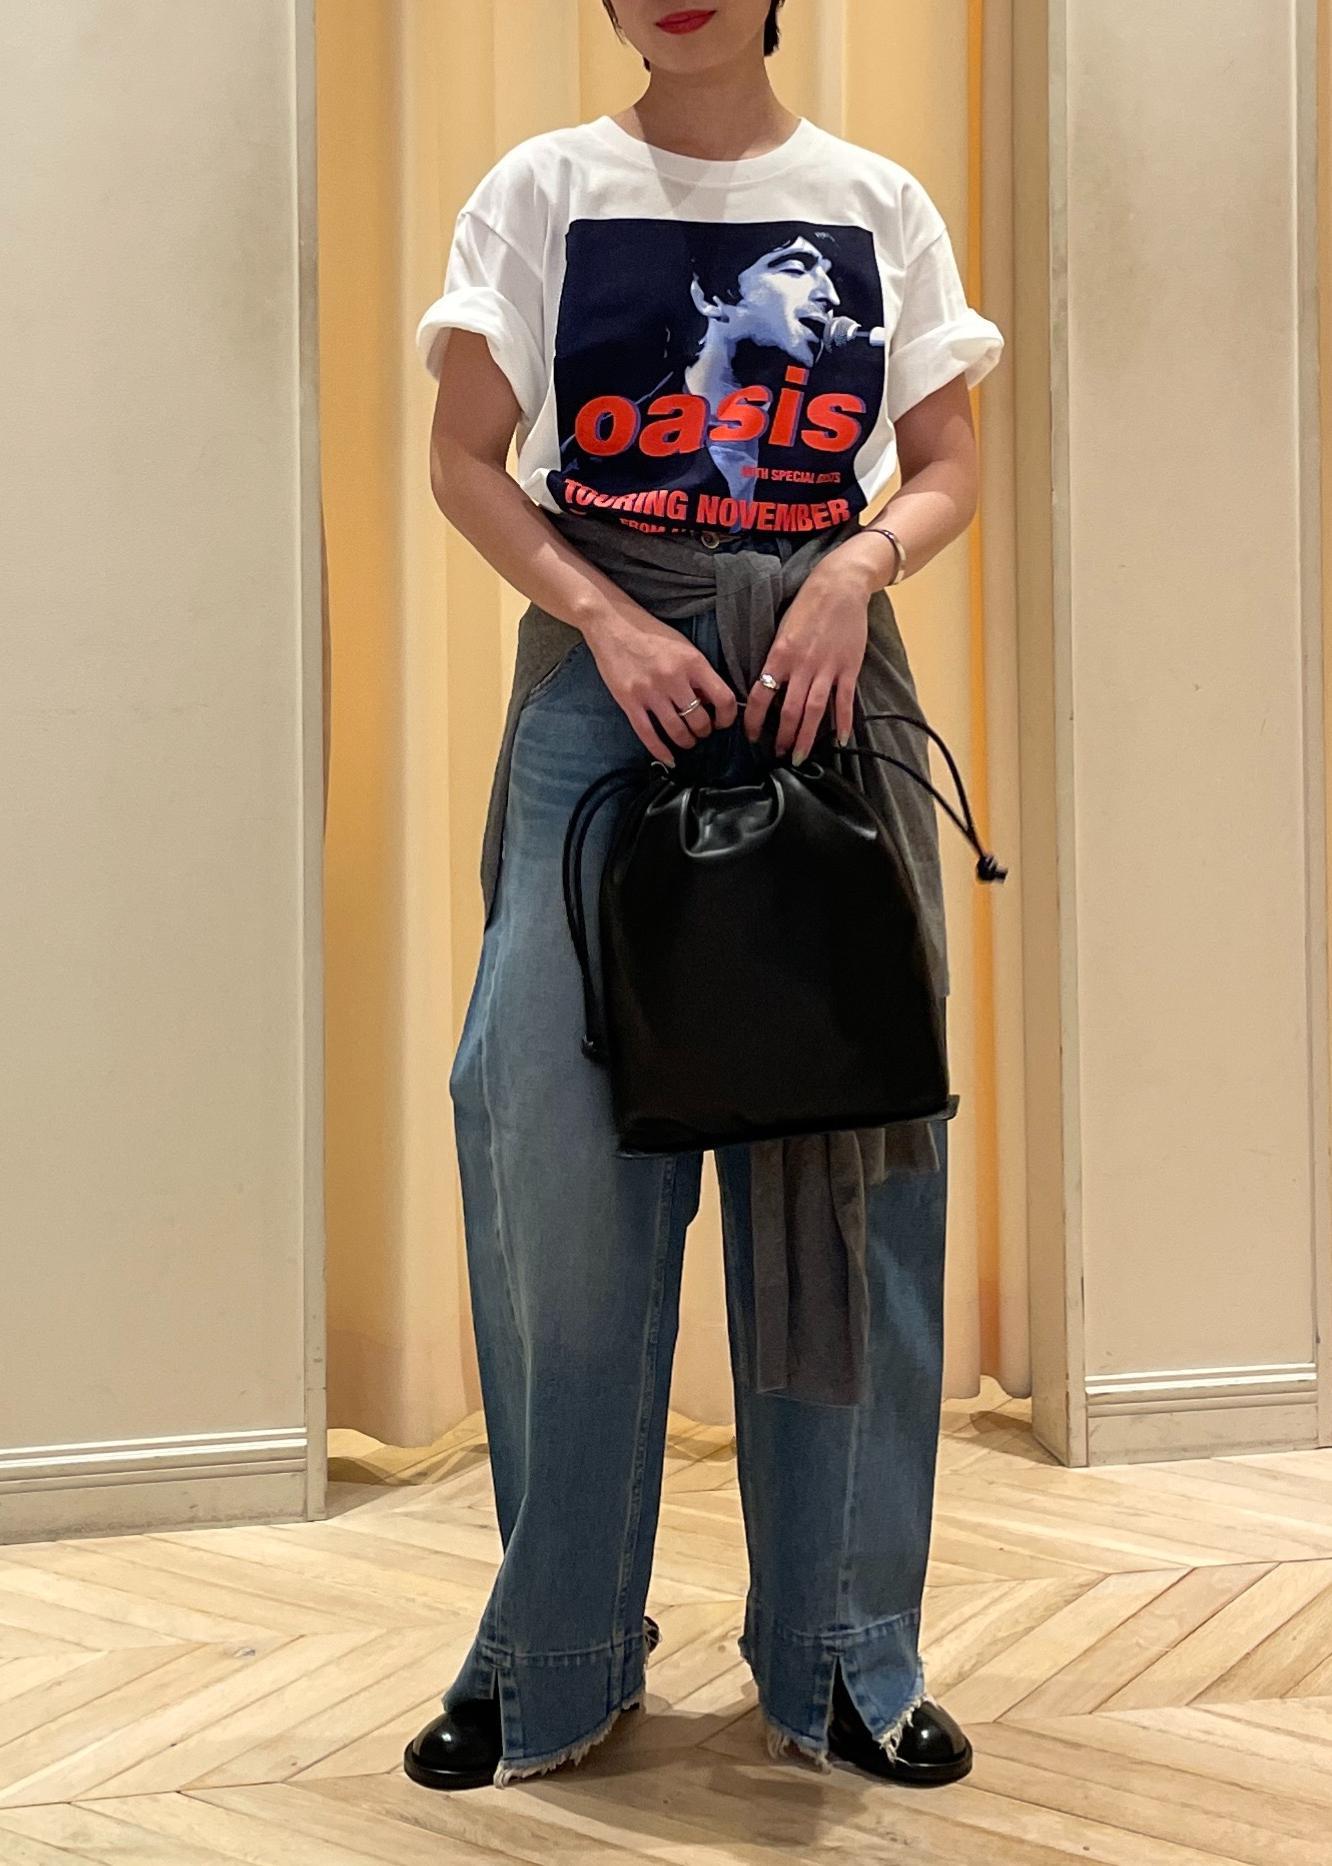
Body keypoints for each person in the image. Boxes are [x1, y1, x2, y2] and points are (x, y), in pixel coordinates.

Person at [403, 0, 1004, 1795]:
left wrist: (853, 568)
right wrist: (605, 617)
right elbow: (463, 457)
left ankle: (845, 1645)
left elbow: (948, 461)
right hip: (607, 687)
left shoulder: (875, 201)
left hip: (822, 677)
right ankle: (555, 1645)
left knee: (853, 1151)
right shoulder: (543, 188)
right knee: (546, 1136)